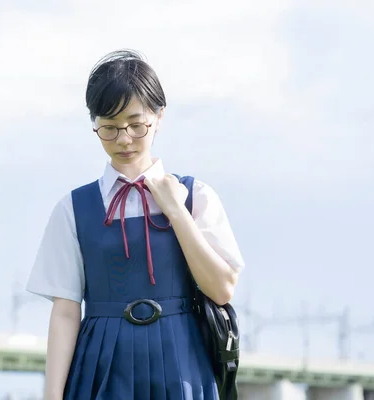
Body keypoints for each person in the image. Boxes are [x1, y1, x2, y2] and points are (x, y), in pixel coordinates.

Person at [26, 49, 245, 400]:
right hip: (101, 367)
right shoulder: (73, 208)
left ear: (160, 117)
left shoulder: (195, 196)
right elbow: (66, 312)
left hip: (182, 362)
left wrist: (176, 211)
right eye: (109, 128)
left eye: (135, 124)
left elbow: (221, 288)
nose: (123, 139)